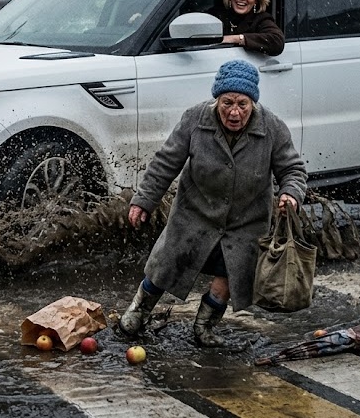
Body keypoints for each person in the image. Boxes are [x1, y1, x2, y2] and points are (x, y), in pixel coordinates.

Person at [117, 59, 307, 347]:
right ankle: (137, 312)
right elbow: (166, 162)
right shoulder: (195, 119)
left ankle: (205, 327)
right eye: (227, 102)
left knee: (231, 272)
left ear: (253, 103)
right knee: (166, 264)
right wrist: (143, 201)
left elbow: (292, 169)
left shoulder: (272, 128)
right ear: (217, 100)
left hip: (246, 220)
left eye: (242, 104)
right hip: (195, 212)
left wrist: (290, 193)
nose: (234, 112)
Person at [216, 0, 285, 56]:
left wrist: (238, 38)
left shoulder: (260, 19)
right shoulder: (217, 15)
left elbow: (277, 41)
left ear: (256, 0)